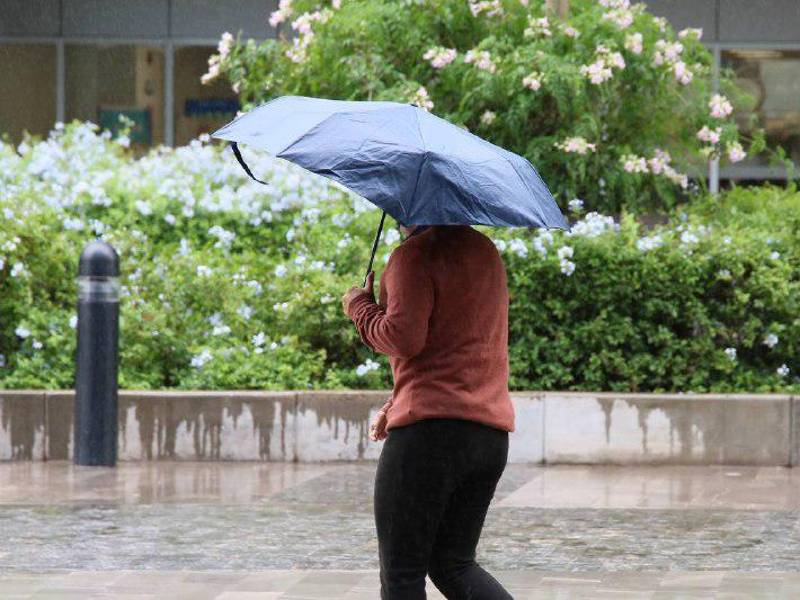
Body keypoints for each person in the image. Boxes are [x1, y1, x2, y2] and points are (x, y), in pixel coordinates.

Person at [341, 222, 515, 600]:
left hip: (428, 439)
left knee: (402, 574)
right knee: (454, 564)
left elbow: (402, 338)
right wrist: (397, 402)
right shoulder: (485, 252)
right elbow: (460, 344)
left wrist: (359, 306)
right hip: (488, 435)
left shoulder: (414, 255)